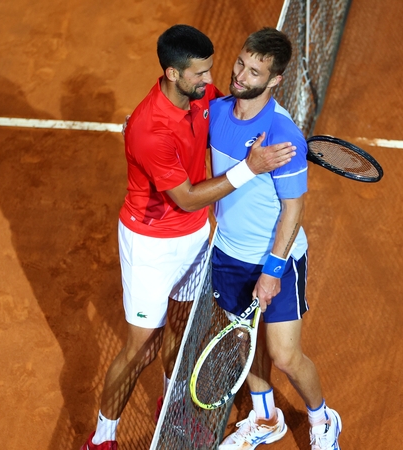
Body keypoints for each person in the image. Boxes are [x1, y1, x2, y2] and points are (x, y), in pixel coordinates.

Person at [81, 24, 297, 450]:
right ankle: (102, 438)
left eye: (210, 70)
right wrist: (249, 168)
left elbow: (240, 105)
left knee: (180, 332)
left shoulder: (199, 97)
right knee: (141, 350)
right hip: (151, 245)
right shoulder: (150, 129)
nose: (209, 80)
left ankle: (172, 406)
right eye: (200, 74)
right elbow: (187, 199)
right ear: (172, 73)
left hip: (196, 240)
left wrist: (280, 129)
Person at [208, 28, 342, 449]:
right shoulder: (214, 113)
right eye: (240, 65)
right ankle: (266, 417)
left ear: (275, 80)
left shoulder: (283, 136)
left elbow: (294, 210)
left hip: (275, 258)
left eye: (254, 72)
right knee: (245, 341)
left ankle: (323, 419)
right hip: (227, 253)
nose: (241, 77)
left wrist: (272, 270)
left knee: (284, 355)